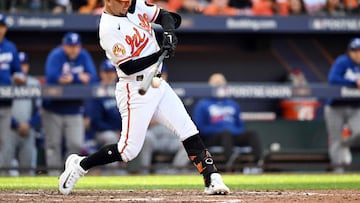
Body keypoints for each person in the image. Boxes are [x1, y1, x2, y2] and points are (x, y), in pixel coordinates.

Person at [58, 0, 229, 196]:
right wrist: (158, 53)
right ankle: (80, 164)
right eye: (121, 2)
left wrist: (169, 34)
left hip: (157, 83)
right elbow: (128, 67)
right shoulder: (108, 28)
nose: (126, 5)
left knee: (188, 130)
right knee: (128, 151)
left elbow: (168, 17)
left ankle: (212, 177)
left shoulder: (135, 5)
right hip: (135, 88)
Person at [42, 32, 98, 175]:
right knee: (53, 145)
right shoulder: (56, 55)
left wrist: (70, 78)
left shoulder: (83, 55)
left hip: (74, 109)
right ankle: (52, 176)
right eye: (70, 46)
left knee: (75, 144)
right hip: (53, 109)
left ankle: (69, 174)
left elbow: (92, 78)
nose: (73, 49)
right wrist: (79, 77)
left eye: (76, 46)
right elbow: (52, 77)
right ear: (64, 45)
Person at [193, 73, 263, 171]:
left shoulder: (233, 104)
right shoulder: (202, 104)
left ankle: (258, 162)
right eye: (216, 82)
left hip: (233, 135)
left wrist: (232, 130)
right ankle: (230, 164)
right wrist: (221, 129)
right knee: (226, 134)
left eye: (222, 82)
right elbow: (200, 127)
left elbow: (241, 126)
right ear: (209, 86)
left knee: (252, 134)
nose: (219, 85)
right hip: (213, 137)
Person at [2, 51, 41, 176]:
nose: (21, 67)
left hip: (28, 130)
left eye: (24, 64)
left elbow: (39, 109)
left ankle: (30, 196)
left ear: (28, 66)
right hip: (9, 129)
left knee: (27, 168)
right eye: (19, 64)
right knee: (4, 167)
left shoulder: (34, 83)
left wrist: (29, 124)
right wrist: (15, 123)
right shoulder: (6, 82)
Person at [325, 38, 360, 173]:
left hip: (356, 106)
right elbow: (333, 79)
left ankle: (344, 144)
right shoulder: (342, 61)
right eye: (355, 51)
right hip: (335, 106)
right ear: (350, 52)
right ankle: (338, 172)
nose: (358, 54)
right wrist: (354, 83)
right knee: (335, 139)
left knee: (358, 132)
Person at [0, 14, 26, 172]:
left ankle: (1, 174)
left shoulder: (10, 47)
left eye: (2, 26)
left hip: (5, 101)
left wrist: (19, 77)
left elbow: (18, 71)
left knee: (3, 140)